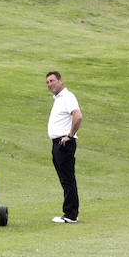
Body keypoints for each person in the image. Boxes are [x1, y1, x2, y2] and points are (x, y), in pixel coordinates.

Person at [46, 71, 83, 223]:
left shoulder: (67, 97)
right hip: (58, 144)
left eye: (52, 80)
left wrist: (70, 135)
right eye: (47, 82)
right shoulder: (58, 99)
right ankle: (71, 211)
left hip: (64, 143)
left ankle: (70, 215)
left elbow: (78, 116)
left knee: (67, 179)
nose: (50, 84)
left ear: (61, 80)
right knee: (65, 179)